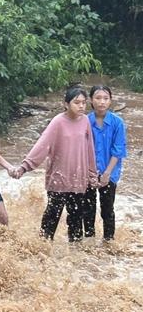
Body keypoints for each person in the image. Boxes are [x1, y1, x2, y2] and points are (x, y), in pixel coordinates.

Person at [12, 86, 98, 242]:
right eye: (76, 102)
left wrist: (92, 174)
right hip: (58, 179)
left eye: (84, 103)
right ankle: (42, 249)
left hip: (78, 180)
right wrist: (24, 167)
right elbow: (42, 145)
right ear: (66, 104)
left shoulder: (85, 121)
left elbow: (89, 149)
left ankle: (75, 257)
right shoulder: (58, 122)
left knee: (76, 219)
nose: (81, 106)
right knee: (52, 216)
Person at [83, 85, 127, 241]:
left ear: (110, 101)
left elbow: (118, 150)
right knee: (87, 209)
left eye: (105, 98)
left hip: (110, 172)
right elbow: (81, 149)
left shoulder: (117, 123)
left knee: (107, 209)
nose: (101, 102)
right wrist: (91, 173)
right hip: (87, 173)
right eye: (98, 98)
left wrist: (107, 173)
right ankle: (88, 242)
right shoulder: (85, 121)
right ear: (91, 100)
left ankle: (109, 242)